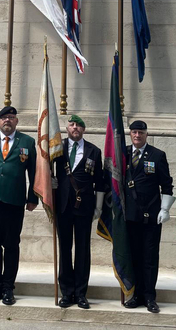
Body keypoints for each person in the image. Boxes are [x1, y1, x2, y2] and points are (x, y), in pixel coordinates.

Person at [0, 106, 38, 306]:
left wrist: (32, 198)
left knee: (11, 245)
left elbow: (34, 172)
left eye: (11, 117)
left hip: (14, 201)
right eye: (3, 118)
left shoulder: (27, 142)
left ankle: (8, 287)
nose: (7, 121)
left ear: (17, 121)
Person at [53, 115, 105, 310]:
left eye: (79, 125)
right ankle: (67, 292)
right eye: (72, 124)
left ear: (84, 129)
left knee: (82, 250)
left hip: (84, 207)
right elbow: (47, 171)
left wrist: (98, 207)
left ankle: (81, 293)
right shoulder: (56, 148)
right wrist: (49, 184)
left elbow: (100, 182)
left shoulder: (94, 151)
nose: (75, 127)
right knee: (64, 249)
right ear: (67, 128)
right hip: (63, 206)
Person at [123, 120, 175, 314]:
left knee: (150, 257)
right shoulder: (123, 153)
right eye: (134, 132)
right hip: (130, 216)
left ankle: (150, 296)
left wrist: (165, 209)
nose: (137, 135)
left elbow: (167, 185)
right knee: (134, 256)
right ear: (130, 134)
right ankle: (136, 295)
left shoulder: (157, 155)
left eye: (141, 133)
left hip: (151, 215)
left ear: (146, 134)